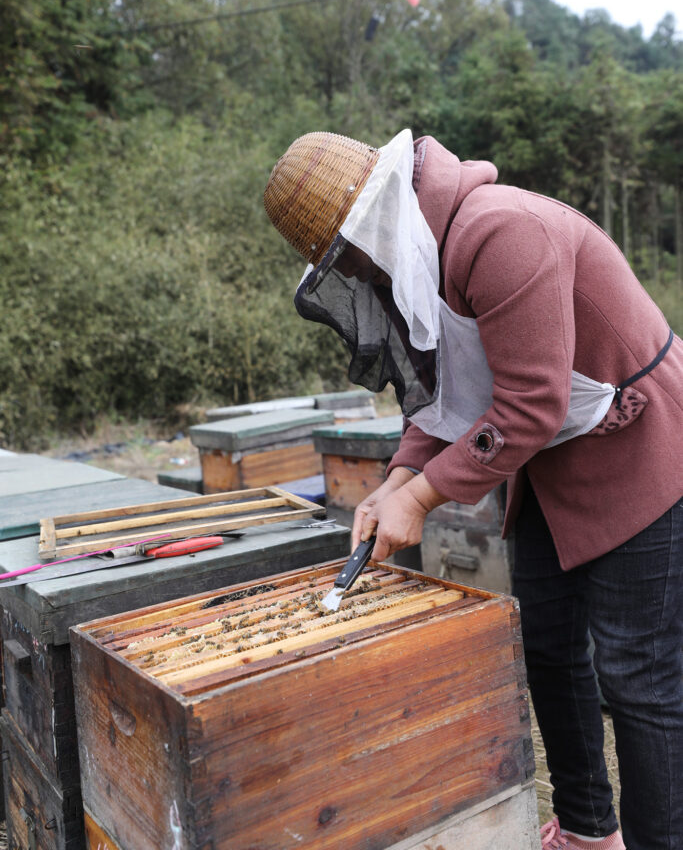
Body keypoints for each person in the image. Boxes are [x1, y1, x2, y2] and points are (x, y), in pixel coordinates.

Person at [263, 128, 683, 850]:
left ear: (372, 219)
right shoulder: (421, 260)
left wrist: (422, 499)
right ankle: (588, 830)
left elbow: (528, 405)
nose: (355, 272)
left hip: (635, 451)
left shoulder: (501, 233)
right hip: (547, 466)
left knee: (635, 674)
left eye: (347, 255)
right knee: (548, 646)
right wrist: (394, 479)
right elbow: (441, 399)